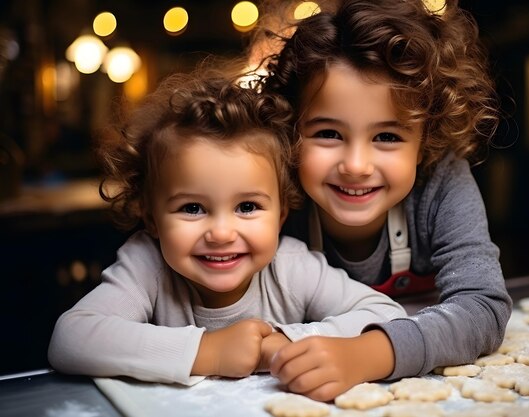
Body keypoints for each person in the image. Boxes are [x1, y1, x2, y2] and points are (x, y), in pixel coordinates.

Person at [47, 62, 407, 386]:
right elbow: (71, 338)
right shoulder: (147, 266)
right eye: (192, 208)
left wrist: (286, 343)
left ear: (282, 214)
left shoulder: (291, 266)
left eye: (247, 206)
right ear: (151, 218)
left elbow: (387, 315)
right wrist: (209, 351)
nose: (221, 233)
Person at [257, 0, 513, 401]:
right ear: (291, 130)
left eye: (388, 137)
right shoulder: (268, 194)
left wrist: (368, 355)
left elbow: (483, 307)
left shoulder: (440, 182)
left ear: (425, 141)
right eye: (328, 133)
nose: (356, 165)